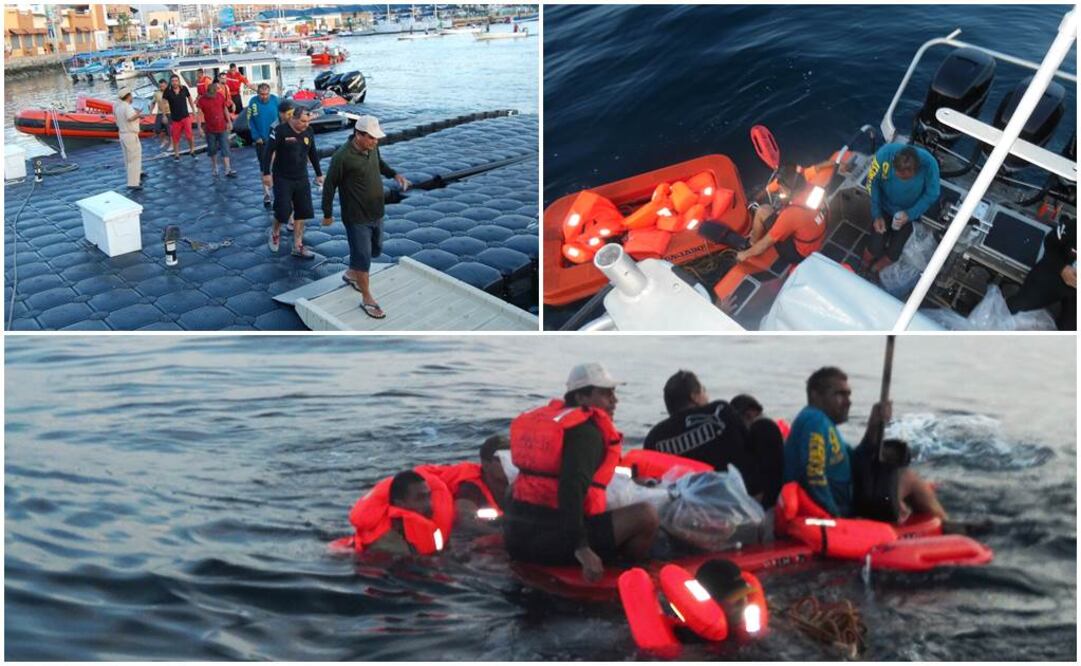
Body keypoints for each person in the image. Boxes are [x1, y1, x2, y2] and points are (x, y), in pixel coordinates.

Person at [504, 363, 660, 583]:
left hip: (516, 539)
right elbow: (571, 489)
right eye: (605, 394)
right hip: (554, 545)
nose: (614, 401)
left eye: (613, 393)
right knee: (647, 515)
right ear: (581, 398)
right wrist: (582, 549)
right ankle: (627, 573)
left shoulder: (553, 423)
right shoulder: (586, 432)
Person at [783, 366, 947, 523]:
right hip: (844, 509)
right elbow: (813, 475)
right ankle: (947, 528)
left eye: (849, 395)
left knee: (900, 477)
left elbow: (855, 460)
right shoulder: (815, 421)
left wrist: (874, 424)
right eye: (840, 394)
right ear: (815, 395)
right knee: (909, 478)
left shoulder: (823, 424)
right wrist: (835, 517)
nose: (848, 402)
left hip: (850, 499)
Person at [321, 115, 411, 319]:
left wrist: (395, 174)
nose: (375, 141)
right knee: (363, 256)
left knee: (375, 249)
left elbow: (379, 163)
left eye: (376, 138)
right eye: (371, 138)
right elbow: (329, 186)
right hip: (356, 217)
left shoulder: (372, 148)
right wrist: (327, 213)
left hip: (377, 211)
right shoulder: (342, 158)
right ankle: (367, 297)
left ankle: (352, 273)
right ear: (358, 135)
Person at [643, 370, 764, 499]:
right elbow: (751, 449)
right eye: (703, 390)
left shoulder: (653, 438)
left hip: (681, 507)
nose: (707, 396)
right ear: (694, 396)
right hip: (735, 500)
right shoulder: (720, 410)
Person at [863, 143, 941, 275]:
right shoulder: (884, 154)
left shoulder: (929, 164)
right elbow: (873, 182)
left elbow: (932, 193)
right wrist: (876, 214)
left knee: (894, 253)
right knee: (874, 246)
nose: (900, 178)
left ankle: (875, 270)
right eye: (897, 173)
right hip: (884, 207)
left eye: (905, 177)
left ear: (916, 170)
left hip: (909, 212)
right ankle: (864, 265)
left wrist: (910, 214)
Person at [416, 434, 510, 532]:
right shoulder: (470, 488)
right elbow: (464, 520)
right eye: (503, 459)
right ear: (486, 465)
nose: (510, 464)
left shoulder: (518, 484)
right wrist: (504, 536)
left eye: (512, 458)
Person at [263, 107, 323, 259]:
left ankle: (297, 245)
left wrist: (319, 174)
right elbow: (268, 151)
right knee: (283, 211)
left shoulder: (309, 131)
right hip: (282, 176)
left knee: (302, 211)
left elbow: (313, 152)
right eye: (303, 121)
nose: (306, 124)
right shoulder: (280, 131)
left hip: (301, 176)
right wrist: (266, 173)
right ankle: (275, 232)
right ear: (293, 118)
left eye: (308, 121)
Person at [1007, 214, 1076, 330]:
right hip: (1057, 271)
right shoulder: (1075, 226)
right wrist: (1062, 268)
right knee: (1017, 307)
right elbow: (1050, 241)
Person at [730, 394, 785, 509]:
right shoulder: (771, 429)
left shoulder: (762, 427)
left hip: (766, 506)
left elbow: (769, 477)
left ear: (749, 414)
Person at [247, 83, 280, 208]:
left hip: (275, 138)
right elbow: (250, 120)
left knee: (277, 166)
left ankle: (278, 191)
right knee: (264, 168)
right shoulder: (253, 102)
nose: (264, 97)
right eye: (262, 94)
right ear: (258, 93)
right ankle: (266, 193)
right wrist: (256, 136)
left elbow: (281, 117)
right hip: (262, 140)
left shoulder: (275, 100)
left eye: (266, 94)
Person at [196, 82, 236, 179]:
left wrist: (229, 121)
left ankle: (228, 168)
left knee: (225, 147)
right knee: (212, 149)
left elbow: (225, 109)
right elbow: (199, 114)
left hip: (222, 126)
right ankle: (214, 167)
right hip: (210, 129)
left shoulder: (220, 96)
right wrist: (199, 127)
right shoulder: (202, 100)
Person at [161, 74, 197, 160]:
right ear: (171, 82)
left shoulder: (183, 88)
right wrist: (164, 115)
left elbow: (190, 98)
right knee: (175, 137)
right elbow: (163, 103)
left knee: (189, 135)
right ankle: (176, 154)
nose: (174, 83)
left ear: (178, 81)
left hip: (185, 116)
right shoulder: (167, 91)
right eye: (173, 81)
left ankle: (192, 150)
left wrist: (193, 110)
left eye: (176, 81)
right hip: (175, 118)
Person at [114, 86, 142, 191]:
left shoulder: (118, 107)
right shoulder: (127, 107)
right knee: (134, 159)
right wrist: (138, 115)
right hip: (130, 134)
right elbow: (130, 118)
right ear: (128, 96)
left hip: (122, 134)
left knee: (127, 159)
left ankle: (131, 180)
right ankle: (134, 182)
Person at [151, 78, 171, 150]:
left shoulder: (170, 92)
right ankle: (164, 140)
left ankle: (171, 144)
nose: (161, 87)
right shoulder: (156, 93)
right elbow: (153, 103)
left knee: (169, 130)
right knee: (157, 129)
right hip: (160, 113)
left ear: (166, 85)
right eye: (160, 86)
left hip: (169, 112)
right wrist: (151, 111)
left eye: (163, 86)